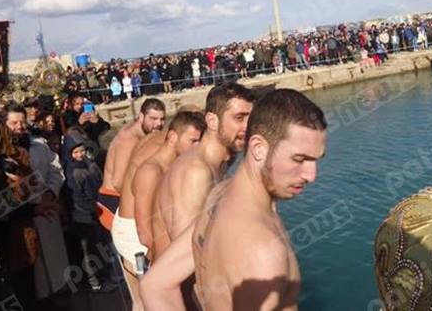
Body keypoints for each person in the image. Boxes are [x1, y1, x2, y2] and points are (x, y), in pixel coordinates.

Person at [193, 89, 326, 310]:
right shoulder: (263, 252)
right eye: (300, 159)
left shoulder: (219, 194)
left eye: (316, 160)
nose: (312, 175)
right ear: (258, 148)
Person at [140, 83, 255, 310]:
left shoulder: (219, 162)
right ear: (212, 121)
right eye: (239, 118)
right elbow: (192, 255)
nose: (247, 126)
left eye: (251, 118)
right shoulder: (195, 172)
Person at [2, 104, 70, 301]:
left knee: (56, 266)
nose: (19, 126)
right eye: (14, 122)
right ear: (4, 124)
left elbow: (56, 170)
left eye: (22, 122)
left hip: (47, 211)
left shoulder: (39, 145)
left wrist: (51, 191)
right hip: (23, 220)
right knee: (33, 271)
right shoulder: (2, 154)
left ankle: (61, 293)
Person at [132, 111, 206, 255]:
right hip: (161, 258)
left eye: (200, 142)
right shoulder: (151, 172)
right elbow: (144, 233)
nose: (197, 147)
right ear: (172, 137)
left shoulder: (179, 166)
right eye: (193, 141)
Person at [61, 128, 117, 293]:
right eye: (75, 152)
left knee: (100, 246)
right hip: (83, 218)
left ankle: (105, 274)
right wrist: (92, 209)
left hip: (97, 213)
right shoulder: (73, 173)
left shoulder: (90, 165)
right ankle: (94, 281)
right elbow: (77, 198)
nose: (79, 155)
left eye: (82, 150)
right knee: (88, 252)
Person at [99, 98, 165, 221]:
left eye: (162, 119)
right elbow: (118, 183)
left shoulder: (141, 133)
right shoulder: (128, 141)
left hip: (121, 200)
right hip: (113, 203)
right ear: (141, 117)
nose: (159, 124)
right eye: (153, 119)